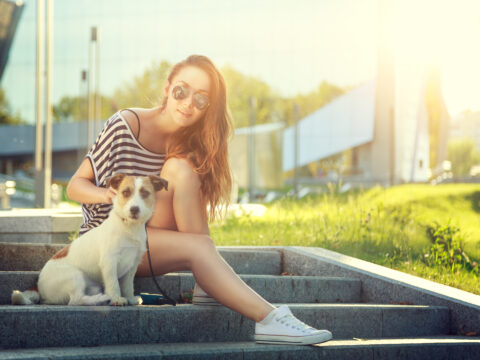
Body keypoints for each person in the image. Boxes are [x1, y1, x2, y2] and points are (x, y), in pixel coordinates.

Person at [67, 54, 332, 346]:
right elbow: (75, 186)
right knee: (199, 245)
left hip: (148, 236)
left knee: (179, 168)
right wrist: (107, 194)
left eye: (201, 99)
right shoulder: (127, 125)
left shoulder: (193, 143)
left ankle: (207, 280)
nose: (188, 103)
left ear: (208, 109)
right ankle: (268, 318)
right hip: (108, 242)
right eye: (182, 91)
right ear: (168, 89)